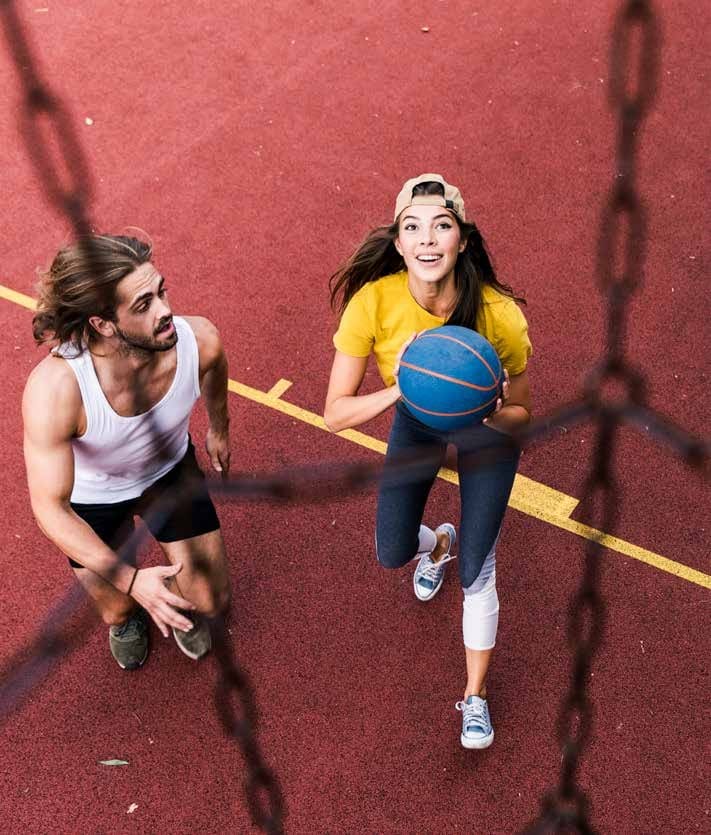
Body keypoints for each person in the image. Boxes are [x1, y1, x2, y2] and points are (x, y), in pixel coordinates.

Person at [324, 174, 532, 749]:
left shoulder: (498, 314)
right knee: (392, 550)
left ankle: (475, 698)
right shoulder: (375, 302)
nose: (427, 239)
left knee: (476, 570)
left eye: (442, 225)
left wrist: (493, 414)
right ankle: (436, 543)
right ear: (397, 242)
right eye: (412, 227)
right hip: (415, 414)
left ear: (462, 239)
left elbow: (525, 413)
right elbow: (334, 412)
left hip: (483, 430)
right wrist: (404, 388)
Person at [22, 234, 232, 671]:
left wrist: (219, 427)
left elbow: (216, 370)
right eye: (143, 305)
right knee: (117, 609)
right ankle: (127, 619)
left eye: (161, 291)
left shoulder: (199, 340)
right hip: (93, 499)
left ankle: (177, 608)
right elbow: (50, 509)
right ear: (102, 324)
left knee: (212, 600)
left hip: (169, 472)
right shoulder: (58, 389)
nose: (165, 310)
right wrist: (131, 581)